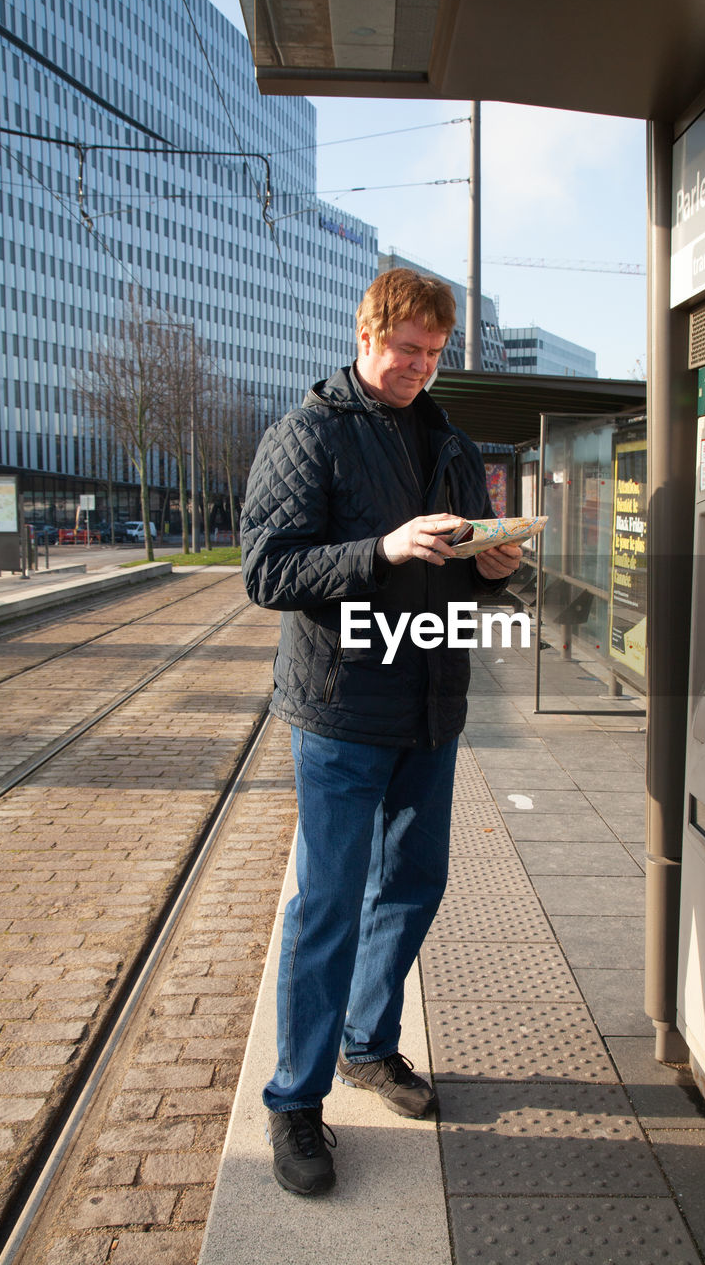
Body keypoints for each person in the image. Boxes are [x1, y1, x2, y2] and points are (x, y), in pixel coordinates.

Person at [240, 268, 522, 1196]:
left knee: (412, 882)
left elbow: (460, 570)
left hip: (430, 701)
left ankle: (369, 1044)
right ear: (366, 334)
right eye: (407, 350)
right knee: (327, 903)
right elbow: (268, 571)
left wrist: (494, 563)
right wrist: (382, 548)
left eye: (435, 354)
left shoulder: (449, 438)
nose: (419, 368)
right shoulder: (307, 432)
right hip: (341, 709)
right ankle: (294, 1101)